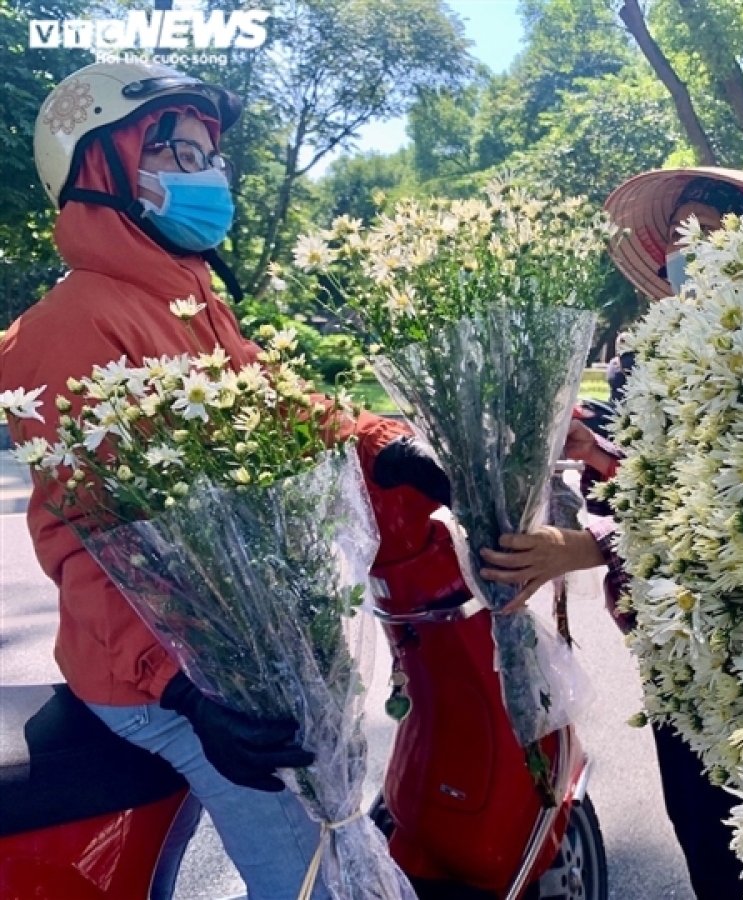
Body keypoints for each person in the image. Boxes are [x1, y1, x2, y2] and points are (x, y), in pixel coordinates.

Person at [0, 61, 448, 900]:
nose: (205, 173)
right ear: (102, 168)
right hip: (163, 679)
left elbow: (276, 406)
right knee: (320, 880)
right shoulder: (64, 328)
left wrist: (385, 445)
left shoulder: (190, 294)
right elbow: (86, 544)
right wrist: (178, 690)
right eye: (173, 150)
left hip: (231, 648)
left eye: (209, 153)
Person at [481, 167, 743, 900]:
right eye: (680, 237)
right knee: (712, 843)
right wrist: (593, 452)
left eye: (712, 231)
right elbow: (644, 481)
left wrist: (585, 549)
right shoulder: (647, 361)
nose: (692, 250)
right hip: (679, 657)